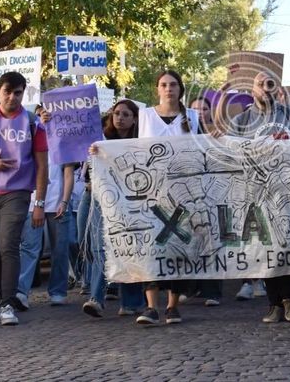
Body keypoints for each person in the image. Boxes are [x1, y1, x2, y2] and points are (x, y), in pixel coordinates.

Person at [229, 71, 290, 323]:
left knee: (286, 243)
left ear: (277, 89)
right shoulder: (242, 120)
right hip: (255, 194)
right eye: (260, 84)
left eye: (270, 84)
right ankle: (273, 302)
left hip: (286, 192)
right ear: (252, 89)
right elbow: (230, 152)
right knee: (263, 246)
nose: (265, 88)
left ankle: (289, 298)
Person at [0, 72, 48, 326]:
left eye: (17, 92)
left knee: (9, 246)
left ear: (23, 93)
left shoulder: (32, 123)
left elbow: (42, 167)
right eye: (7, 91)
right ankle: (1, 301)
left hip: (17, 193)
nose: (12, 97)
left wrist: (39, 203)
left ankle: (9, 303)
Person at [135, 70, 200, 326]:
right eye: (163, 84)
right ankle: (151, 306)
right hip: (151, 192)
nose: (168, 89)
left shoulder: (192, 117)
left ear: (180, 89)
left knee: (177, 247)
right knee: (150, 248)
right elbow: (125, 145)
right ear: (157, 89)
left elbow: (202, 148)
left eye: (173, 84)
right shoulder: (145, 116)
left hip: (182, 193)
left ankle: (172, 306)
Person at [82, 99, 146, 318]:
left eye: (126, 114)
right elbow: (86, 169)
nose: (120, 118)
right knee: (99, 247)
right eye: (117, 113)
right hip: (99, 198)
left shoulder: (142, 141)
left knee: (129, 247)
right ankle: (96, 298)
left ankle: (131, 302)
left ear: (135, 118)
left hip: (130, 201)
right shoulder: (100, 140)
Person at [16, 157, 76, 308]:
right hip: (33, 203)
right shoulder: (32, 138)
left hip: (58, 204)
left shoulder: (61, 138)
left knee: (60, 249)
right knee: (29, 247)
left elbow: (69, 173)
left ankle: (58, 291)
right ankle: (21, 291)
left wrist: (65, 201)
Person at [182, 95, 223, 308]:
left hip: (211, 194)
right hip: (188, 194)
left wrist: (220, 138)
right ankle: (190, 287)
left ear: (210, 112)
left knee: (211, 240)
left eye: (204, 109)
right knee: (190, 240)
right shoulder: (183, 134)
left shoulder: (218, 133)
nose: (199, 113)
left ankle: (213, 291)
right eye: (194, 110)